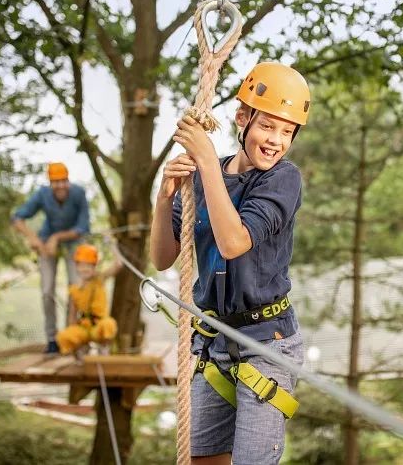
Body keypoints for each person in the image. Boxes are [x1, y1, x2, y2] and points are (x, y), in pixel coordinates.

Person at [150, 62, 311, 465]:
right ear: (243, 118)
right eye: (267, 126)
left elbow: (234, 242)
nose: (276, 141)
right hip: (215, 340)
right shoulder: (209, 175)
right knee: (203, 458)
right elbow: (162, 257)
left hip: (266, 344)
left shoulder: (282, 180)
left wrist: (205, 162)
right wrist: (164, 198)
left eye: (287, 132)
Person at [12, 162, 90, 354]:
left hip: (73, 241)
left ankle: (72, 336)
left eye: (64, 181)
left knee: (76, 288)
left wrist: (57, 238)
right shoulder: (42, 194)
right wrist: (35, 240)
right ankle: (52, 339)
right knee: (47, 291)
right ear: (50, 183)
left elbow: (83, 227)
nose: (61, 185)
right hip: (46, 243)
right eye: (56, 182)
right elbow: (17, 218)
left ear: (68, 180)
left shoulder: (79, 193)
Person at [55, 243, 120, 357]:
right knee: (64, 336)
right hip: (84, 328)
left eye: (88, 265)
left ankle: (104, 348)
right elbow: (72, 314)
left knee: (108, 324)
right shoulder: (74, 289)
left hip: (99, 327)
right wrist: (73, 337)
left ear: (94, 267)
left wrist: (111, 243)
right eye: (81, 265)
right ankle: (81, 350)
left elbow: (118, 265)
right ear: (77, 267)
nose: (84, 269)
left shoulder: (100, 279)